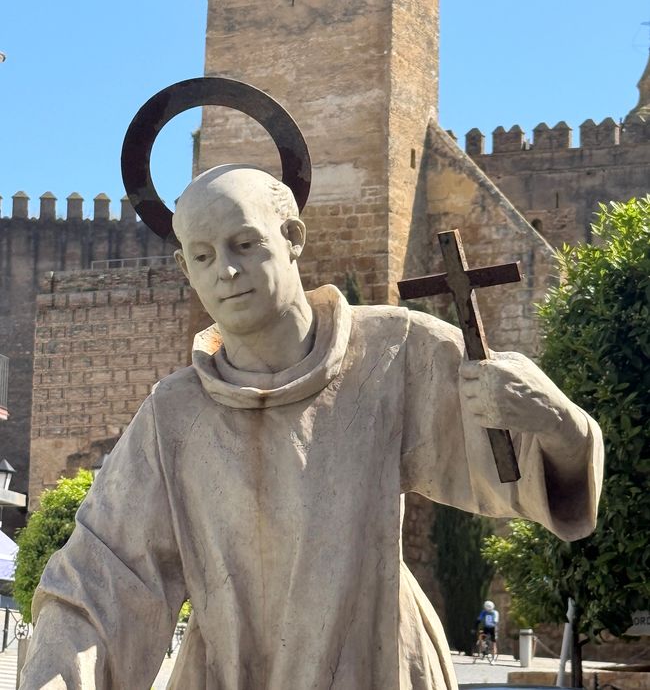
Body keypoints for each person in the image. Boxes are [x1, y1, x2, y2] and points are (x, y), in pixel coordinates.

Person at [19, 165, 604, 690]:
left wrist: (555, 423)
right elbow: (100, 579)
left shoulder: (395, 351)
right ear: (184, 269)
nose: (226, 270)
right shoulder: (173, 415)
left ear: (293, 237)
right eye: (202, 256)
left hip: (377, 662)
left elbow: (521, 471)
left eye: (244, 244)